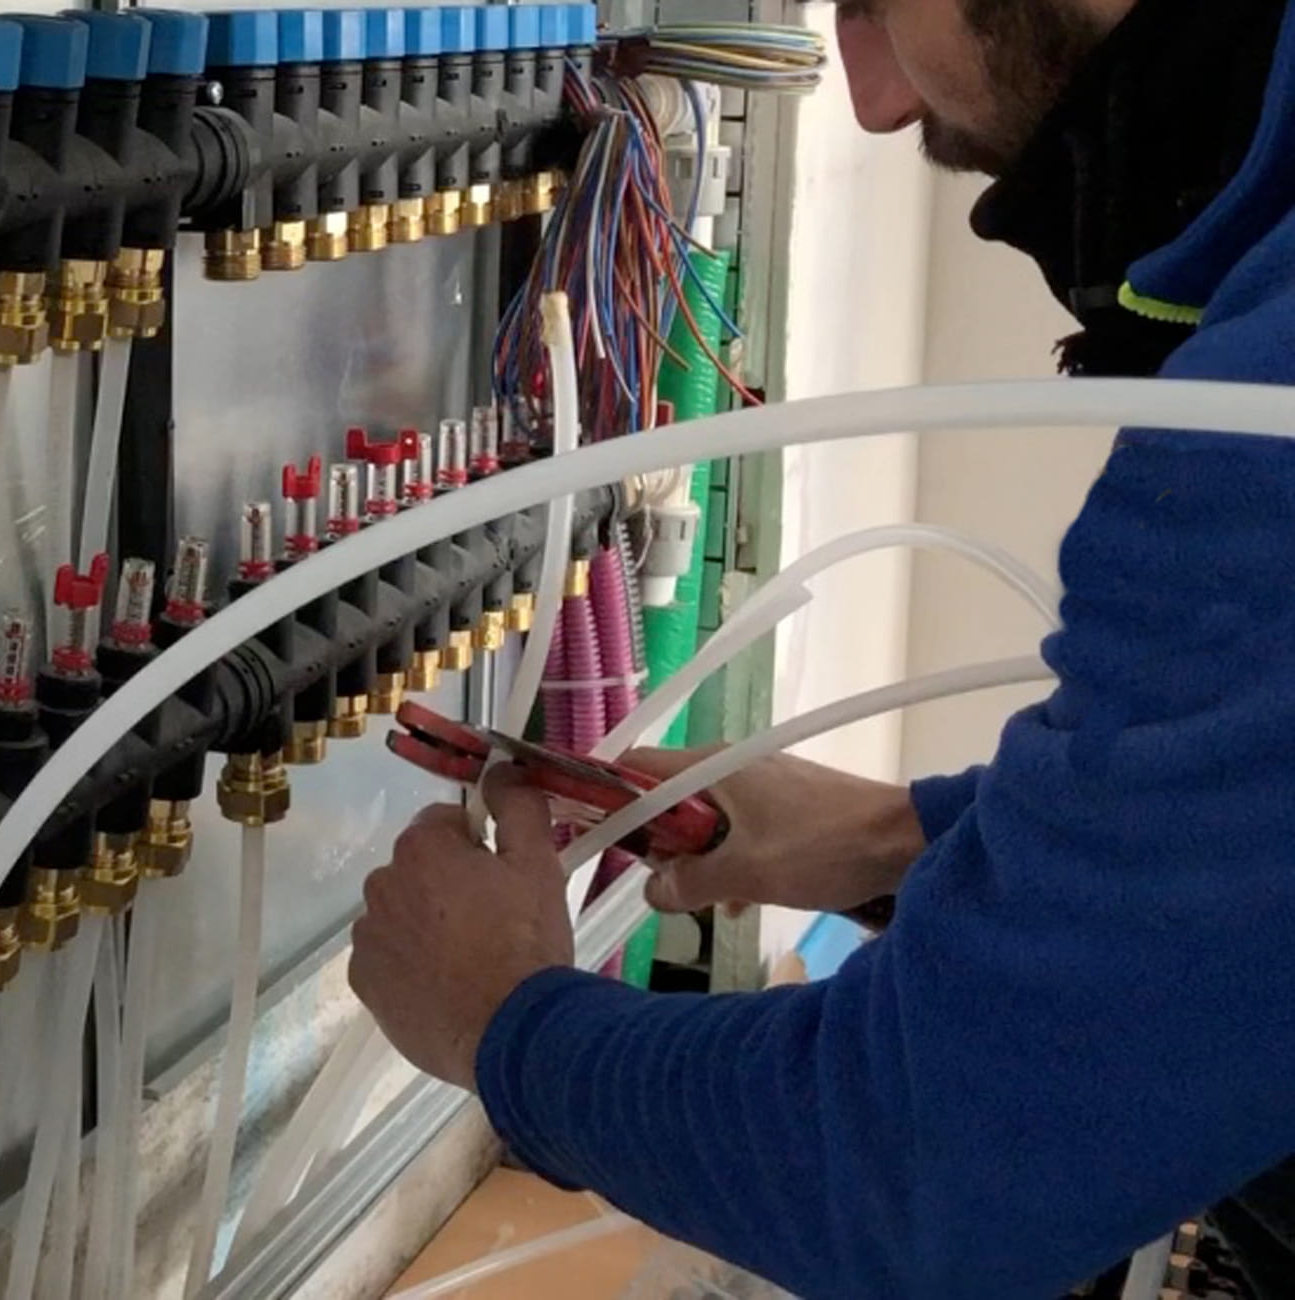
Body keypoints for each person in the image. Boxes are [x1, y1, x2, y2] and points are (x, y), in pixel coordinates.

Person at [349, 0, 1295, 1294]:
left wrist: (502, 1021)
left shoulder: (1265, 424)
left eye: (867, 0)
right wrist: (902, 837)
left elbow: (932, 1167)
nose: (875, 98)